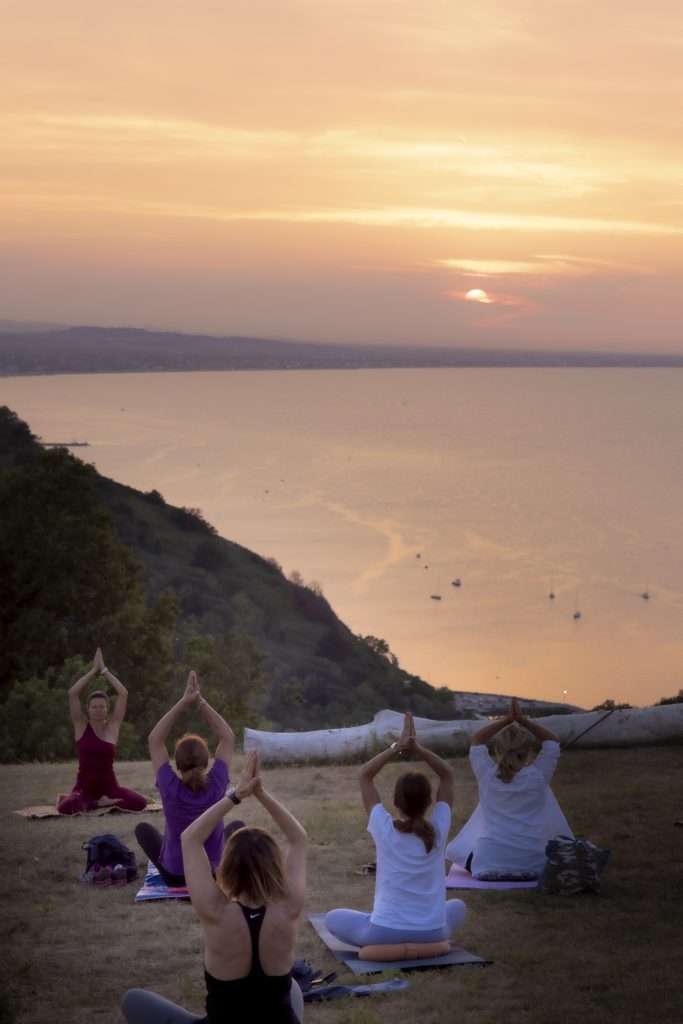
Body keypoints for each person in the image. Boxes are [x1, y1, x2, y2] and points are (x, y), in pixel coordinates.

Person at [121, 749, 306, 1024]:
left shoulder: (215, 910)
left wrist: (237, 795)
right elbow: (298, 839)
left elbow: (190, 839)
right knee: (291, 989)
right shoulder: (289, 906)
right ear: (275, 866)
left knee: (132, 1000)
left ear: (227, 866)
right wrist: (260, 792)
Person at [325, 711, 466, 947]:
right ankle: (425, 944)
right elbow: (447, 774)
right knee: (458, 906)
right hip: (432, 933)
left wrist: (397, 747)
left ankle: (391, 941)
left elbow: (365, 776)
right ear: (430, 802)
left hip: (383, 934)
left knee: (332, 918)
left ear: (395, 801)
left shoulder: (385, 829)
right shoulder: (439, 829)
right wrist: (417, 747)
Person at [446, 697, 572, 879]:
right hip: (534, 861)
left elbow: (476, 739)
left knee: (456, 849)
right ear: (528, 751)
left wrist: (506, 720)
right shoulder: (539, 775)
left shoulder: (487, 775)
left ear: (498, 750)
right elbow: (552, 740)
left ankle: (498, 866)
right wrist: (522, 720)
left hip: (489, 860)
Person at [134, 670, 236, 886]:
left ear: (177, 765)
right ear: (207, 761)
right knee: (238, 826)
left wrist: (183, 702)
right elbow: (227, 737)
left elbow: (155, 739)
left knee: (143, 829)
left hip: (176, 877)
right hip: (213, 876)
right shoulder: (217, 782)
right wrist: (199, 702)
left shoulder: (169, 786)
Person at [57, 648, 147, 814]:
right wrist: (93, 671)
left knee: (141, 802)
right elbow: (72, 694)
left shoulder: (113, 726)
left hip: (110, 787)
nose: (98, 710)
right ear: (88, 709)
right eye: (94, 707)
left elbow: (123, 694)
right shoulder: (80, 725)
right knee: (64, 808)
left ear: (107, 709)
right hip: (84, 788)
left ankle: (105, 802)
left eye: (102, 707)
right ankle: (100, 804)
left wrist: (104, 671)